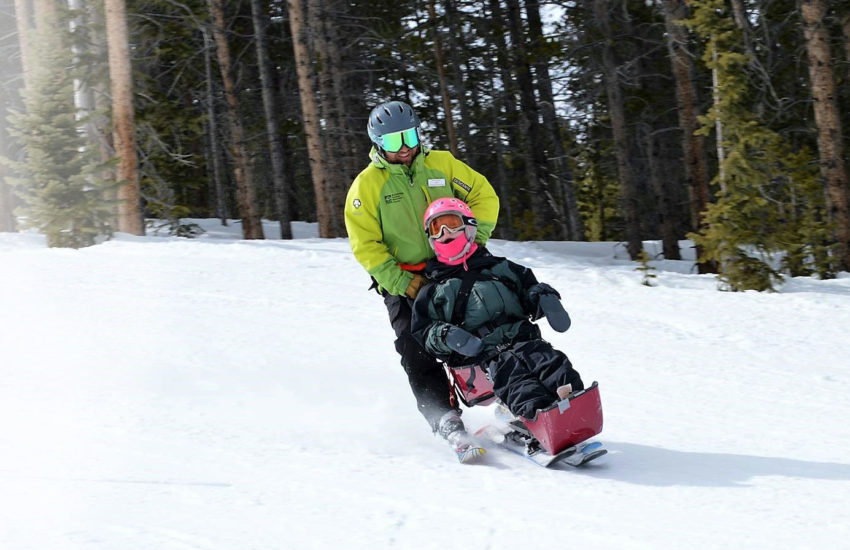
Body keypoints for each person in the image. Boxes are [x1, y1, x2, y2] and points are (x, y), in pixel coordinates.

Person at [343, 100, 500, 457]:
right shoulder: (367, 186)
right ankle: (444, 417)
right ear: (378, 144)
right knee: (415, 347)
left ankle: (510, 397)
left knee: (490, 327)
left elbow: (483, 195)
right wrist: (401, 283)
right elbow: (365, 245)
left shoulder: (442, 164)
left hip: (455, 266)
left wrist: (477, 241)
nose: (405, 148)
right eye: (394, 142)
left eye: (410, 137)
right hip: (406, 280)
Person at [410, 198, 584, 422]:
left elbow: (527, 290)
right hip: (486, 354)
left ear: (468, 227)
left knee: (554, 365)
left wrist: (542, 297)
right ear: (431, 238)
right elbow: (424, 331)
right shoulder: (435, 290)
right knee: (518, 382)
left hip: (525, 339)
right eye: (436, 228)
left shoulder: (500, 268)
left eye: (452, 223)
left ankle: (576, 407)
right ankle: (534, 421)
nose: (445, 232)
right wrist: (446, 335)